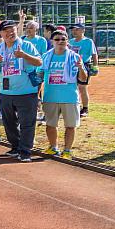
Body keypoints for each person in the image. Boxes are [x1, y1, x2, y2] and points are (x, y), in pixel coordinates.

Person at [0, 19, 43, 162]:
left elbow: (39, 62)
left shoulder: (26, 45)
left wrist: (24, 55)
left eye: (12, 30)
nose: (9, 33)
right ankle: (15, 146)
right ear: (1, 34)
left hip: (26, 91)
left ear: (16, 30)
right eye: (6, 31)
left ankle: (25, 151)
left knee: (27, 123)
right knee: (9, 123)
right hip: (6, 92)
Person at [40, 31, 88, 159]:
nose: (60, 41)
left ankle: (67, 150)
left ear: (67, 41)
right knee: (50, 124)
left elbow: (83, 79)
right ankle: (53, 147)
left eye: (63, 39)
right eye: (57, 39)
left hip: (69, 97)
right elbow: (39, 76)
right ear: (52, 41)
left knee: (70, 126)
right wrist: (38, 96)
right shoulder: (46, 56)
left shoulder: (75, 57)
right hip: (51, 97)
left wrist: (81, 68)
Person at [69, 23, 97, 117]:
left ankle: (85, 108)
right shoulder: (71, 41)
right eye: (73, 30)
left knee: (82, 87)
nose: (74, 31)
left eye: (76, 29)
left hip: (84, 65)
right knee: (72, 87)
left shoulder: (88, 41)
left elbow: (94, 54)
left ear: (82, 30)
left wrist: (95, 66)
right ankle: (74, 106)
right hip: (72, 66)